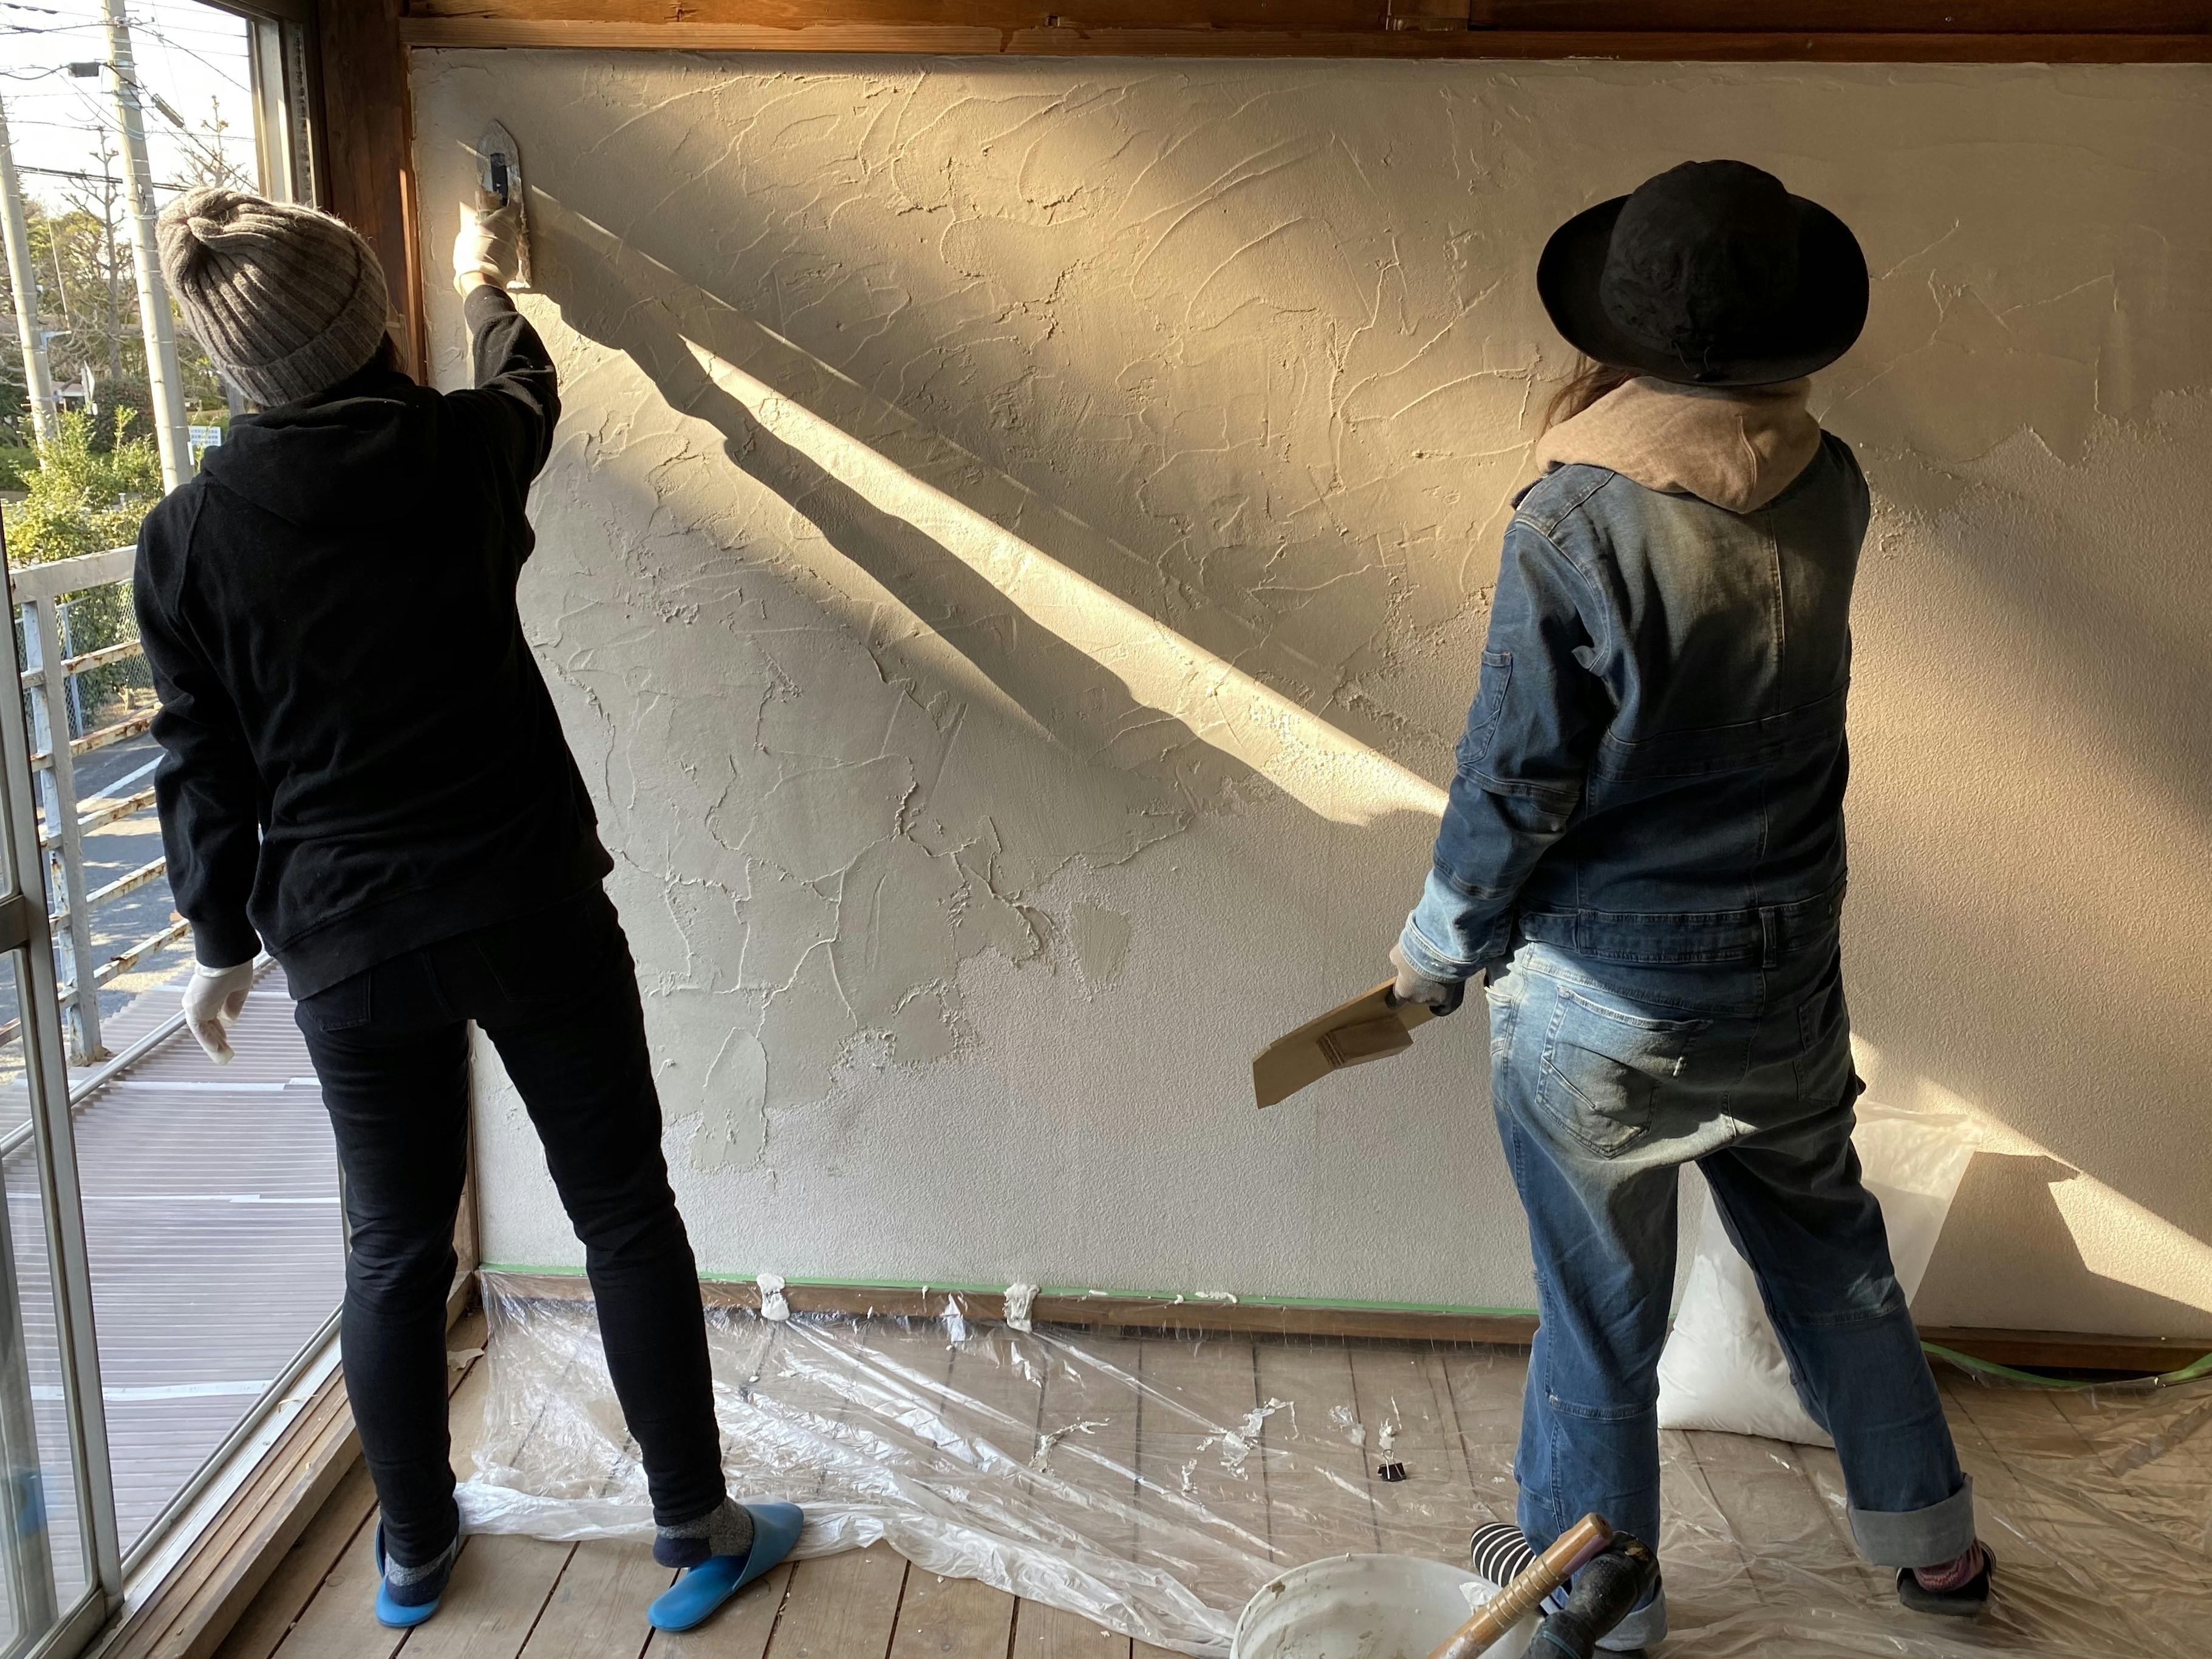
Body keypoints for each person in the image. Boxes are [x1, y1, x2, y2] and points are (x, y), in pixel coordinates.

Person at [137, 188, 800, 1633]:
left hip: (346, 940)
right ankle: (697, 1526)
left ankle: (415, 1550)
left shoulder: (182, 539)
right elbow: (530, 385)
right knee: (621, 1209)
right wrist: (485, 281)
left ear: (236, 365)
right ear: (369, 320)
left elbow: (201, 756)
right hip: (525, 899)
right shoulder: (457, 453)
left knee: (392, 1249)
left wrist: (218, 942)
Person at [1389, 161, 1992, 1654]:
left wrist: (1437, 949)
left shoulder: (1573, 519)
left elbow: (1516, 776)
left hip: (1604, 996)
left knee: (1601, 1311)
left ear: (1621, 331)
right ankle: (1935, 1546)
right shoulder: (1832, 483)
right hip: (1784, 968)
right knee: (1834, 1259)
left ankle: (1598, 1589)